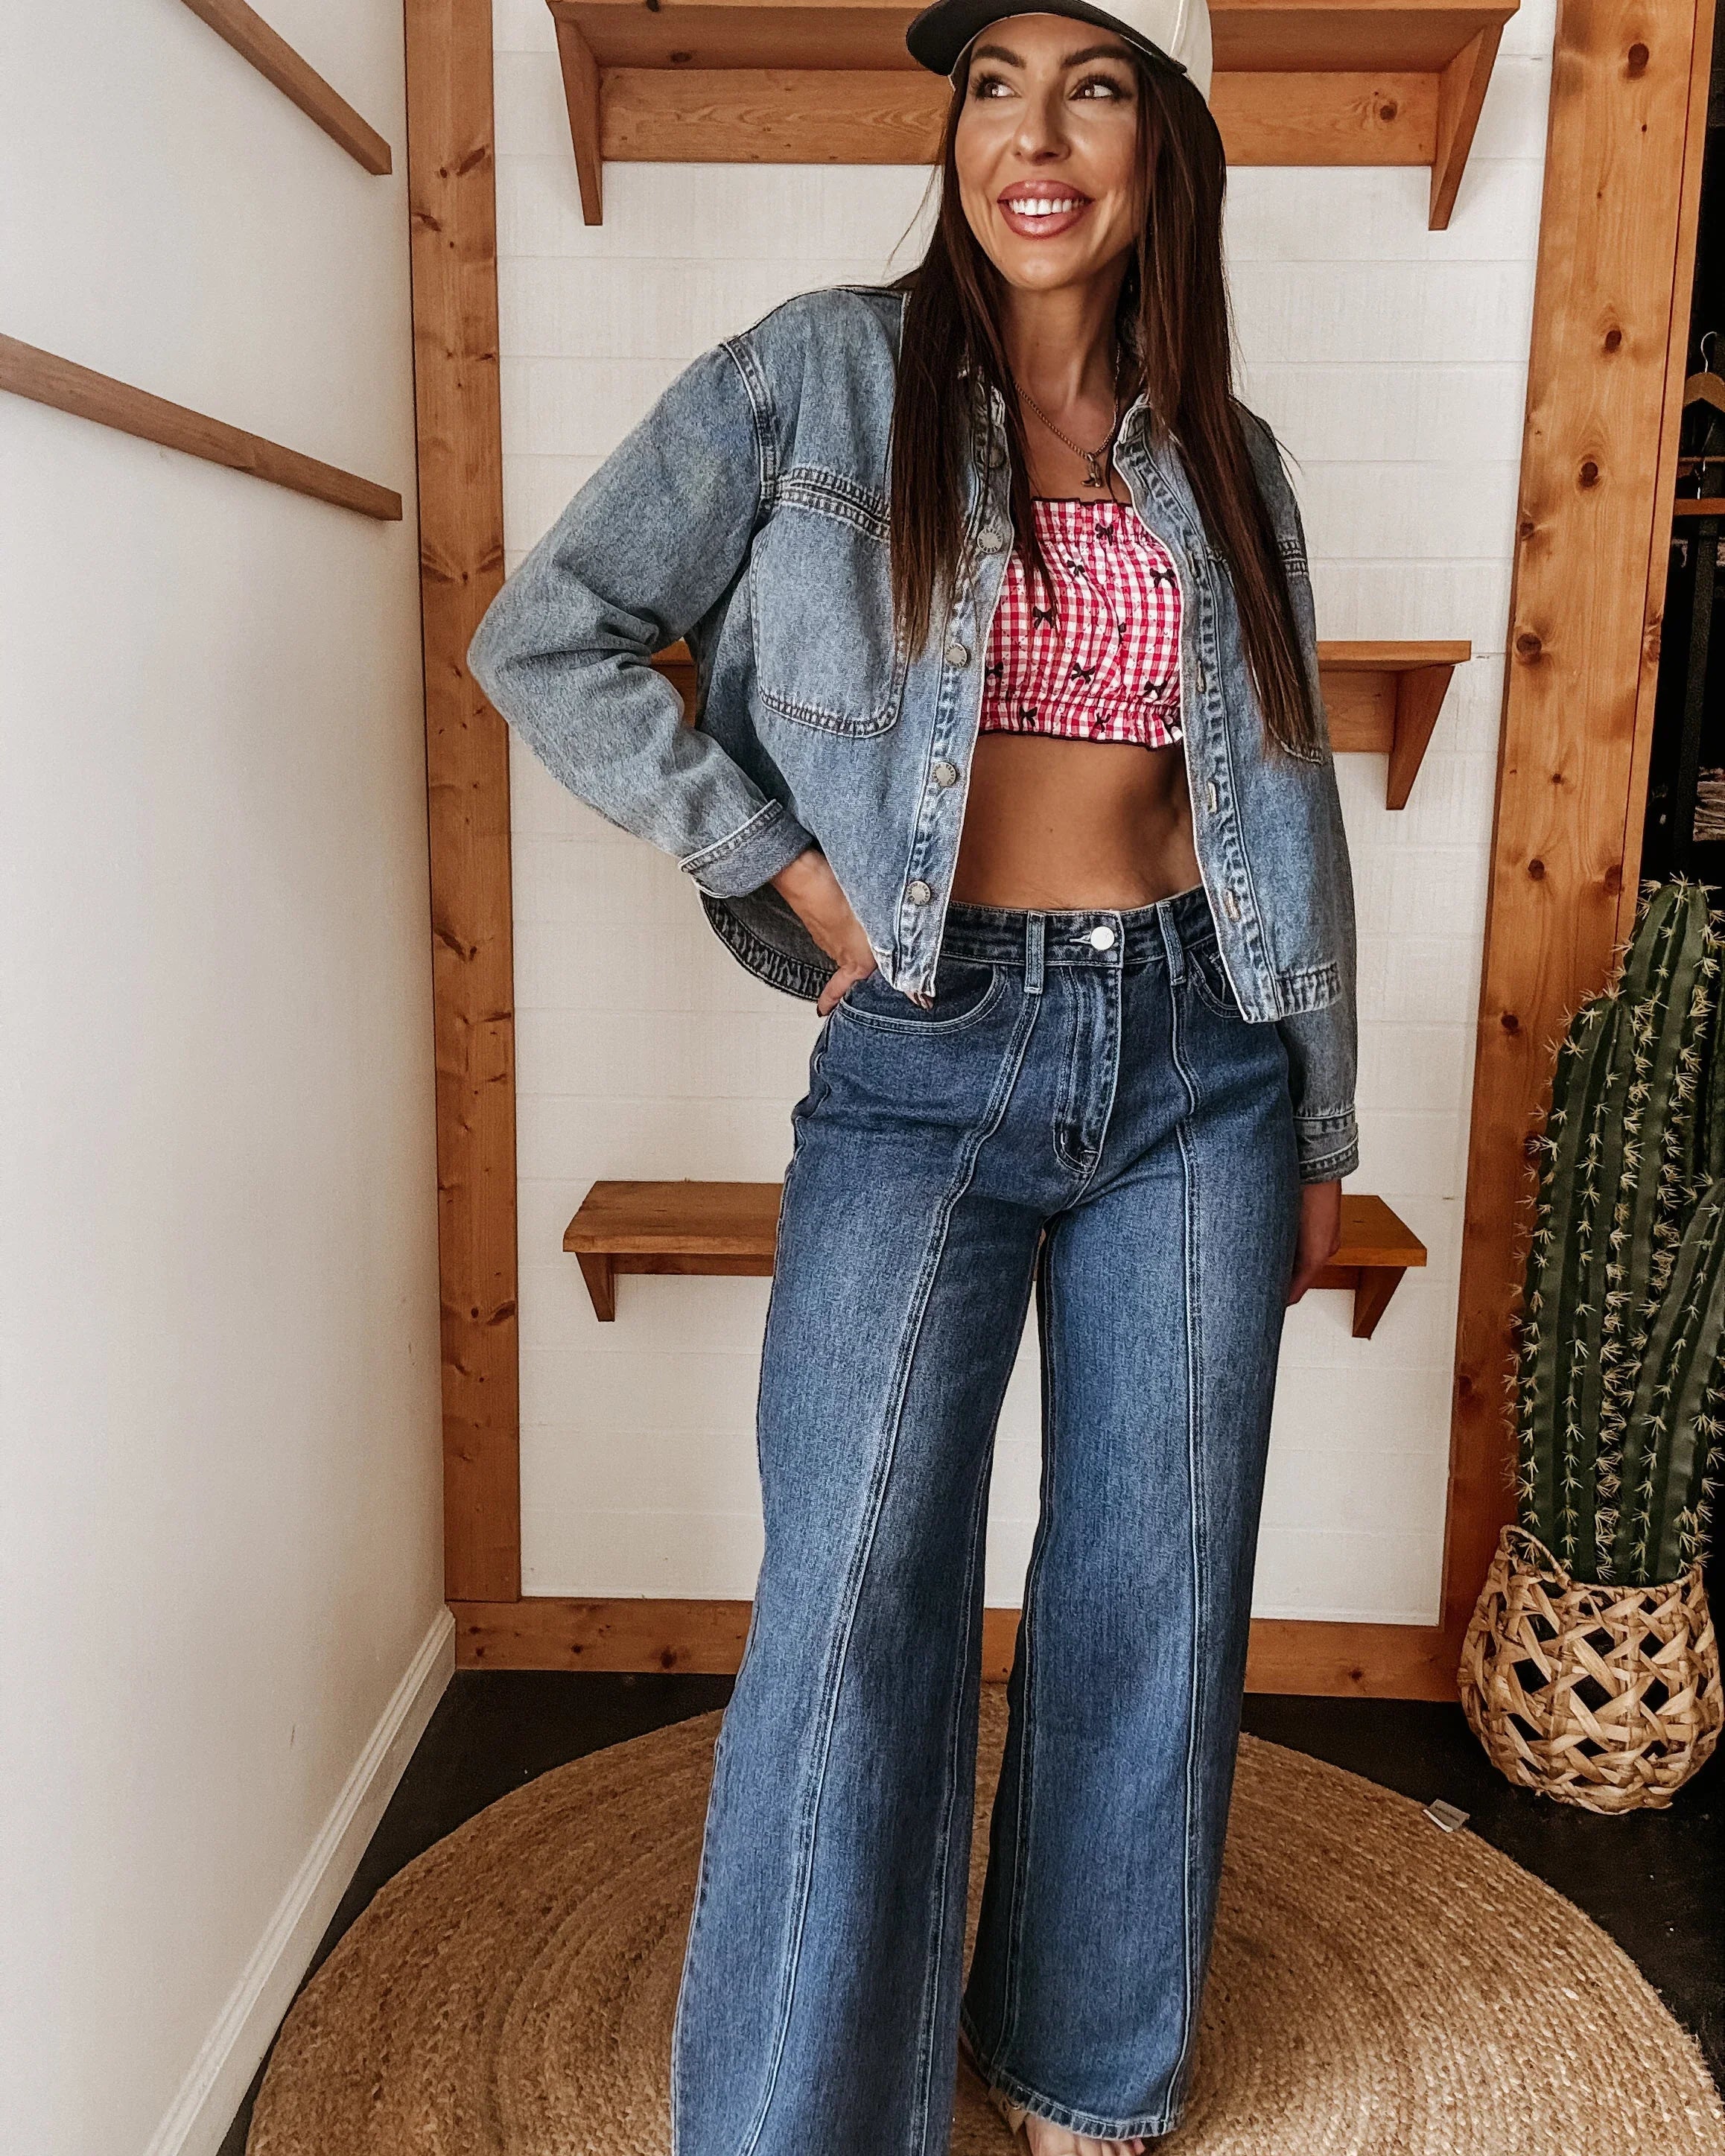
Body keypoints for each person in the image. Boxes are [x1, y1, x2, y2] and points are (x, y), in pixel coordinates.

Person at [467, 0, 1357, 2145]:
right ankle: (801, 2113)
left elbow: (1288, 805)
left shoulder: (1229, 457)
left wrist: (1317, 1107)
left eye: (1093, 87)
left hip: (1201, 1058)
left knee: (1154, 1581)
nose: (1031, 136)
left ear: (1166, 146)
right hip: (925, 1053)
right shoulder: (811, 375)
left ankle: (1083, 2067)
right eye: (990, 88)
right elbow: (548, 632)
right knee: (857, 1589)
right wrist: (778, 862)